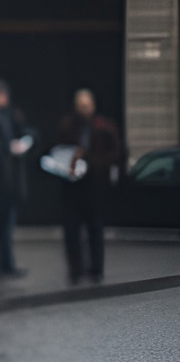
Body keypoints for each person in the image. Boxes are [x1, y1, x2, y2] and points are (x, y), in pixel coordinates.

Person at [54, 89, 123, 284]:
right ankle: (75, 269)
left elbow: (116, 153)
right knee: (72, 229)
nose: (84, 109)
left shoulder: (104, 126)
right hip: (73, 185)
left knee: (95, 227)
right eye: (80, 105)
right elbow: (59, 149)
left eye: (87, 105)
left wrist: (91, 162)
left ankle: (96, 268)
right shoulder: (67, 125)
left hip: (94, 184)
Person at [0, 79, 35, 277]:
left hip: (9, 182)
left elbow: (28, 131)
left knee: (6, 226)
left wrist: (24, 142)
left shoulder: (10, 115)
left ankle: (5, 264)